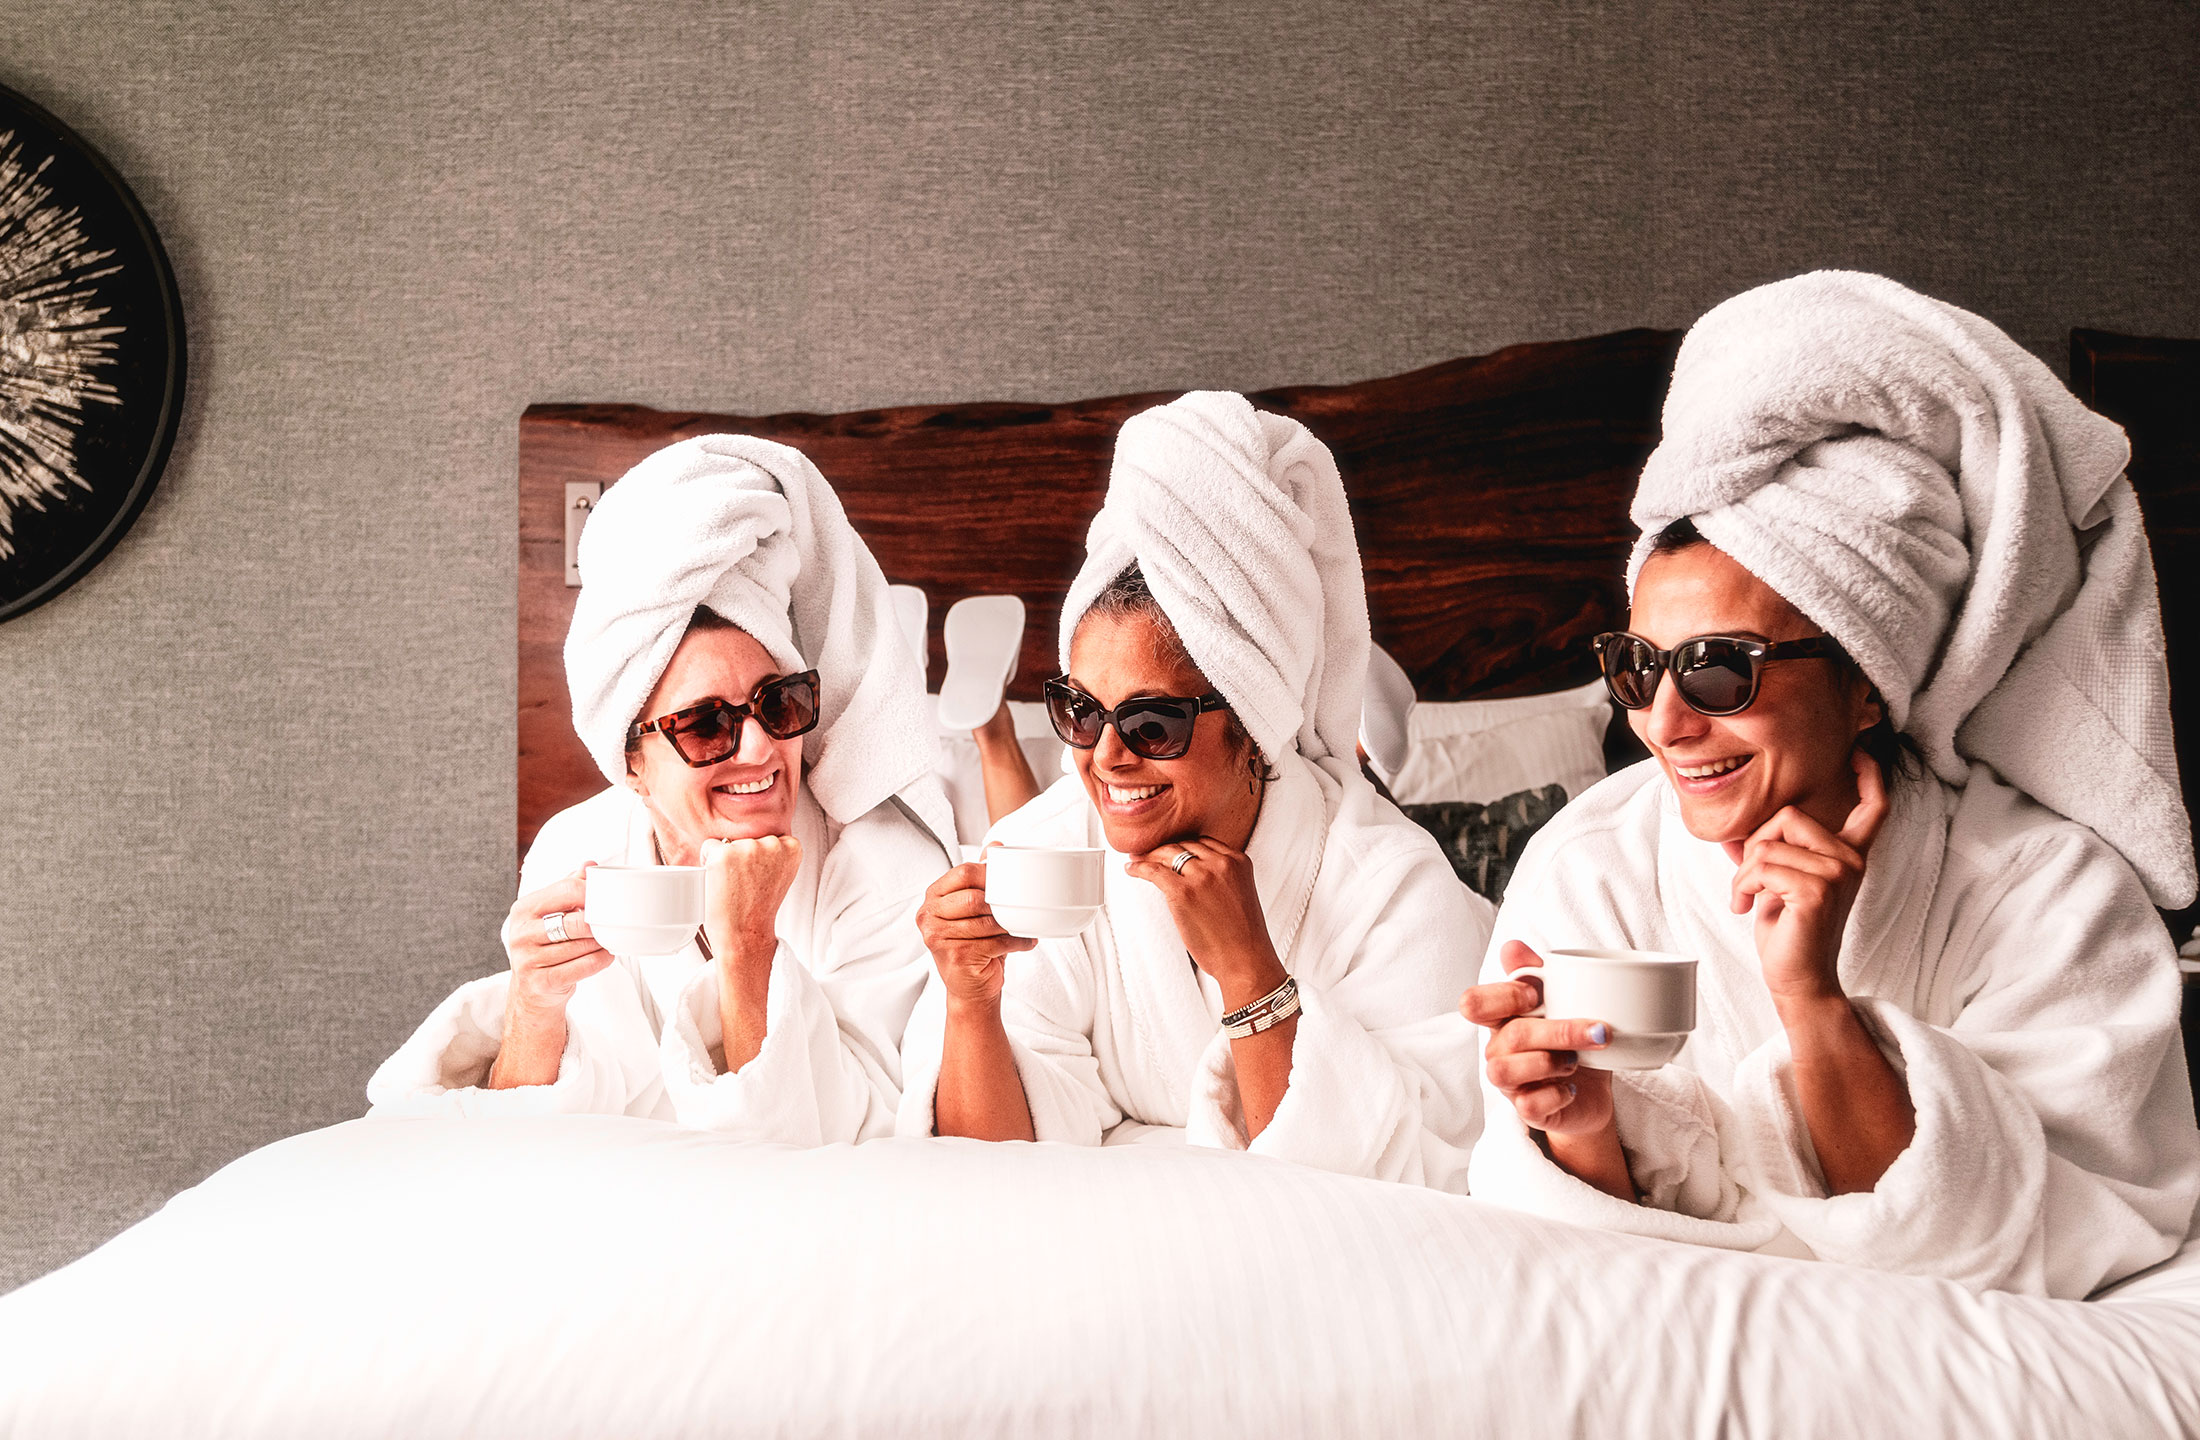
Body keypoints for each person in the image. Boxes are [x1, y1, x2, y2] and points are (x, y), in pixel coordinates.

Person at [1463, 272, 2200, 1297]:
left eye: (1719, 670)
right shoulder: (1591, 864)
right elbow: (1572, 1248)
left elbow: (2037, 1242)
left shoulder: (2051, 887)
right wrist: (1580, 1126)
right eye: (1638, 667)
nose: (1664, 723)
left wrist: (1811, 1001)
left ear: (1864, 685)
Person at [898, 391, 1492, 1189]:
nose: (1106, 757)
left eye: (1152, 723)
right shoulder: (1039, 855)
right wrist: (970, 1002)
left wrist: (1251, 972)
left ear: (1253, 719)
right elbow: (987, 1174)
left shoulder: (1391, 888)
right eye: (1081, 712)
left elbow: (1413, 1180)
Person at [369, 435, 955, 1141]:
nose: (761, 748)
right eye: (705, 725)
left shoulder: (884, 861)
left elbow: (865, 1136)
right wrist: (534, 1003)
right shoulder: (577, 849)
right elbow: (518, 1143)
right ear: (631, 764)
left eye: (779, 702)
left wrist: (748, 947)